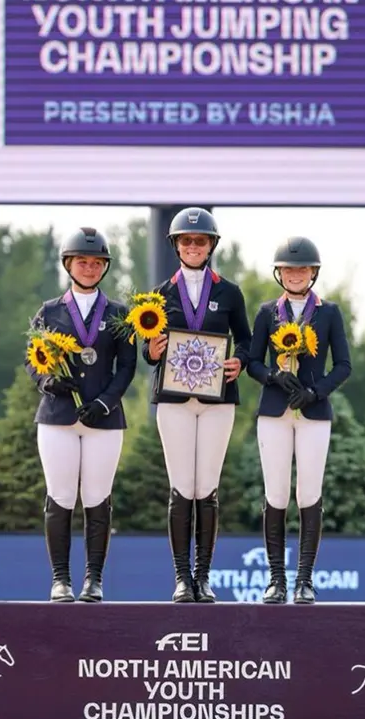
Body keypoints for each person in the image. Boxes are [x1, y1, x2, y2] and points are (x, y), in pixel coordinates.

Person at [143, 207, 254, 603]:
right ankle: (180, 577)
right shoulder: (159, 294)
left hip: (216, 400)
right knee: (181, 487)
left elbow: (246, 340)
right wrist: (152, 351)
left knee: (206, 487)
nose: (193, 246)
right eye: (186, 240)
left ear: (211, 246)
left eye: (200, 240)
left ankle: (203, 577)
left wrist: (239, 361)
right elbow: (146, 349)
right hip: (174, 401)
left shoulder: (229, 292)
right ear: (176, 245)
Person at [25, 227, 137, 603]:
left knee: (97, 497)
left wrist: (106, 402)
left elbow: (126, 366)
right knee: (60, 496)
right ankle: (60, 579)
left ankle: (94, 580)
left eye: (96, 263)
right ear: (68, 265)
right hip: (58, 416)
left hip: (104, 419)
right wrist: (48, 382)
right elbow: (32, 359)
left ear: (104, 267)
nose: (89, 268)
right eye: (82, 262)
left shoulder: (119, 314)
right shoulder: (49, 311)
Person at [244, 236, 351, 604]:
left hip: (313, 414)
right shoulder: (267, 313)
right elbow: (252, 362)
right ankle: (276, 580)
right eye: (289, 269)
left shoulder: (329, 313)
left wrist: (315, 392)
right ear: (280, 273)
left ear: (312, 273)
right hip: (274, 412)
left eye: (302, 269)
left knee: (309, 493)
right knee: (276, 493)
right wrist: (273, 376)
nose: (295, 275)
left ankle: (304, 579)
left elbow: (343, 365)